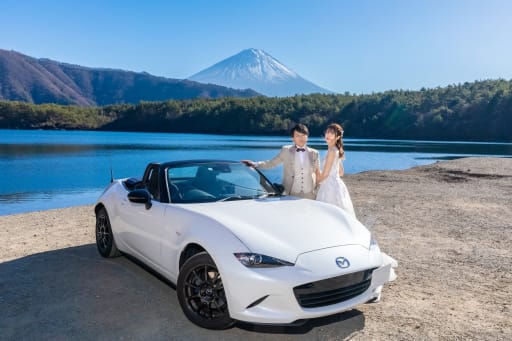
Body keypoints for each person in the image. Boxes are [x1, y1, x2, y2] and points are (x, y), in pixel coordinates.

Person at [242, 124, 320, 199]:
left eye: (303, 135)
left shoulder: (314, 153)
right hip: (291, 193)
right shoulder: (286, 150)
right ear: (293, 138)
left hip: (310, 195)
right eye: (298, 136)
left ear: (307, 137)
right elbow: (272, 163)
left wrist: (316, 192)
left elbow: (318, 174)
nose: (301, 138)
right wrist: (255, 164)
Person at [315, 123, 356, 217]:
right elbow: (341, 172)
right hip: (336, 185)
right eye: (327, 132)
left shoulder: (332, 151)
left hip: (329, 187)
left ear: (337, 137)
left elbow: (325, 174)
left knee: (328, 214)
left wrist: (316, 181)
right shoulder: (335, 150)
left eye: (332, 133)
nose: (328, 134)